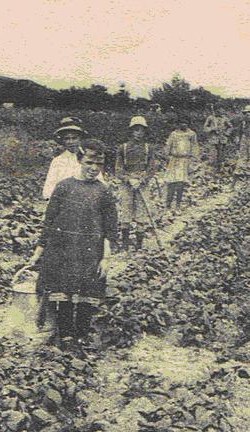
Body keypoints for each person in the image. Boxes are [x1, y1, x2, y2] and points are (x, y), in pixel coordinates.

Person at [28, 139, 117, 350]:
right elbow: (49, 222)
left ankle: (82, 333)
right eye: (89, 163)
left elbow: (110, 229)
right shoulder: (64, 187)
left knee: (88, 292)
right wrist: (38, 251)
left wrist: (105, 258)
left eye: (99, 165)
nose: (93, 169)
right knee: (63, 292)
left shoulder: (104, 192)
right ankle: (66, 335)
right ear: (79, 160)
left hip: (90, 250)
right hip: (63, 248)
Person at [114, 116, 156, 250]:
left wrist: (142, 180)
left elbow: (151, 169)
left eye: (141, 130)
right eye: (136, 130)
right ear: (131, 131)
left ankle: (139, 245)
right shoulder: (123, 148)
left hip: (142, 183)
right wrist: (128, 179)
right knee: (125, 212)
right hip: (127, 183)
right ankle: (125, 244)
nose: (139, 133)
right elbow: (118, 169)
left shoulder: (149, 148)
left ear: (145, 132)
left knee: (141, 212)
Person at [161, 114, 200, 211]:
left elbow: (195, 146)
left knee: (180, 183)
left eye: (186, 123)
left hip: (185, 160)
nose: (184, 125)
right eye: (182, 123)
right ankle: (168, 204)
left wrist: (193, 159)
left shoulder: (191, 134)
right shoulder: (174, 134)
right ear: (179, 124)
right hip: (174, 160)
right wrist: (166, 157)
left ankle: (178, 204)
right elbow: (168, 146)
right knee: (171, 182)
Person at [42, 117, 86, 200]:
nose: (71, 142)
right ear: (63, 141)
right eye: (67, 139)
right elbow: (48, 190)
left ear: (80, 138)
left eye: (74, 138)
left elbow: (100, 183)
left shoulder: (88, 158)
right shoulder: (58, 161)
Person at [234, 104, 250, 182]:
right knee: (243, 154)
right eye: (247, 114)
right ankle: (242, 170)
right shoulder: (242, 123)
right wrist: (237, 138)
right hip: (244, 138)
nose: (248, 115)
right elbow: (238, 131)